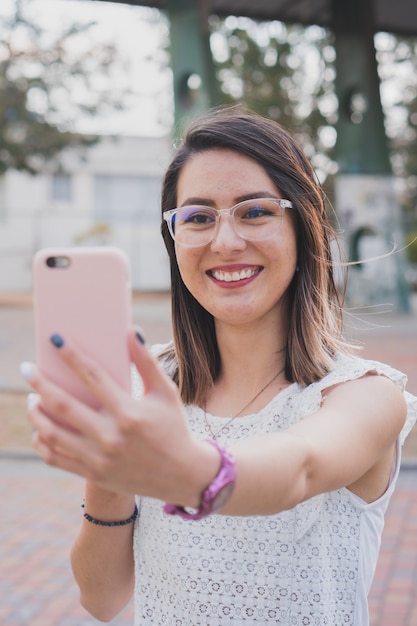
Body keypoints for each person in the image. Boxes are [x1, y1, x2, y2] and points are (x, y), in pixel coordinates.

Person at [22, 108, 416, 626]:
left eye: (254, 212)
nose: (225, 241)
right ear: (175, 238)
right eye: (199, 217)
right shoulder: (147, 394)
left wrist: (184, 469)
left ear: (303, 227)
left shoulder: (363, 395)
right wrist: (111, 467)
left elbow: (301, 467)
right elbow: (102, 598)